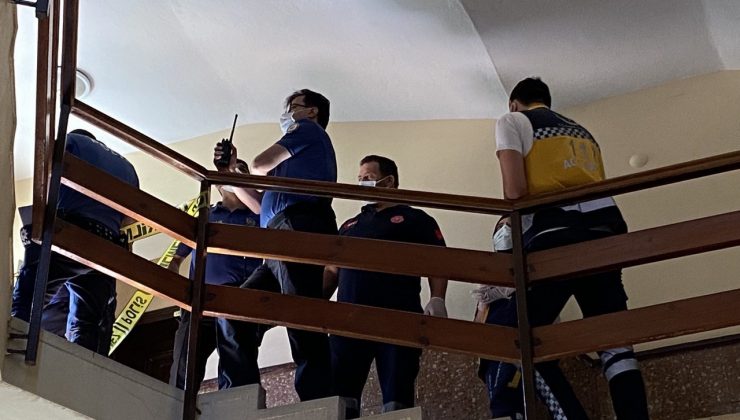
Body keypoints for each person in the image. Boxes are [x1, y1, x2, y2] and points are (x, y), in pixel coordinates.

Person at [495, 77, 649, 419]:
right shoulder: (582, 131)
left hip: (556, 234)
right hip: (606, 233)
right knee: (616, 345)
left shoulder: (512, 121)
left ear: (513, 103)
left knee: (515, 337)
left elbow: (515, 191)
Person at [214, 88, 338, 401]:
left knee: (300, 312)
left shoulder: (307, 129)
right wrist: (231, 171)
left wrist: (246, 169)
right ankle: (239, 395)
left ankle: (317, 398)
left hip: (297, 227)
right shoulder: (291, 165)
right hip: (277, 235)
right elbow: (259, 206)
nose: (287, 113)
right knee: (234, 311)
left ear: (312, 111)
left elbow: (259, 164)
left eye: (293, 106)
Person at [323, 155, 448, 418]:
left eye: (367, 178)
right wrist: (314, 303)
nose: (361, 183)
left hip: (398, 318)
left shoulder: (416, 219)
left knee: (397, 397)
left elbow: (438, 261)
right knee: (341, 396)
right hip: (348, 321)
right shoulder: (349, 226)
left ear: (389, 181)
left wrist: (437, 298)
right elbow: (332, 270)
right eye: (359, 179)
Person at [11, 129, 139, 355]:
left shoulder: (73, 141)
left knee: (30, 296)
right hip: (108, 249)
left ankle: (14, 336)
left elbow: (48, 176)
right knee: (88, 320)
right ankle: (85, 359)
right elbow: (129, 217)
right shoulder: (128, 167)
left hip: (71, 232)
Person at [474, 218, 588, 419]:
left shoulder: (534, 267)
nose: (505, 230)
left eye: (511, 226)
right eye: (500, 227)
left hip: (526, 346)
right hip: (494, 355)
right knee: (506, 407)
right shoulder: (487, 281)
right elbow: (479, 325)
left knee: (552, 402)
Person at [168, 159, 263, 392]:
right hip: (200, 302)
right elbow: (176, 259)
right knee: (185, 364)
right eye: (228, 171)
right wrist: (177, 290)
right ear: (219, 184)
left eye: (240, 171)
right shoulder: (205, 216)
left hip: (238, 303)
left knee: (237, 365)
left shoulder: (259, 217)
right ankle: (176, 405)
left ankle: (234, 405)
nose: (234, 174)